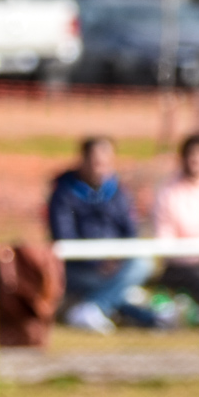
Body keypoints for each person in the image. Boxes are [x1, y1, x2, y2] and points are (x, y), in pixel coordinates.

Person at [47, 136, 157, 333]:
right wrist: (98, 262)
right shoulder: (64, 193)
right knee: (122, 289)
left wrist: (117, 260)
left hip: (115, 266)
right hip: (77, 269)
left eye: (106, 162)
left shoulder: (118, 191)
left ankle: (92, 308)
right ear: (83, 161)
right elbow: (64, 237)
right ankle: (147, 316)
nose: (101, 167)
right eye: (96, 161)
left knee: (143, 264)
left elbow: (130, 233)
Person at [155, 133, 199, 314]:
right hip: (185, 266)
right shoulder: (169, 191)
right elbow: (166, 241)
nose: (196, 159)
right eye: (191, 154)